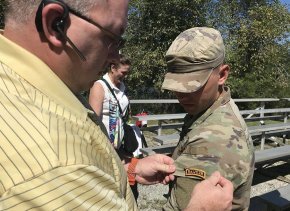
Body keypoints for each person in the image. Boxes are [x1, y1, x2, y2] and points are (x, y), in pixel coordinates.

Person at [0, 0, 233, 210]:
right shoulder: (59, 167)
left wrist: (128, 170)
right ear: (55, 24)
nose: (114, 56)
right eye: (112, 38)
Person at [161, 27, 255, 211]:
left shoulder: (214, 140)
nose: (181, 94)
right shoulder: (208, 109)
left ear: (222, 75)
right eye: (177, 84)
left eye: (193, 84)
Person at [89, 54, 142, 199]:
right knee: (109, 187)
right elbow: (94, 121)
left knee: (129, 187)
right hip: (105, 147)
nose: (125, 76)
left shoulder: (122, 88)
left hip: (121, 148)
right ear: (113, 68)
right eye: (123, 72)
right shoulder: (99, 86)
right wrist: (104, 145)